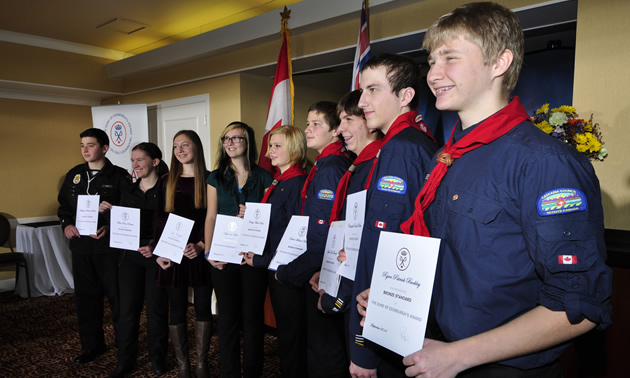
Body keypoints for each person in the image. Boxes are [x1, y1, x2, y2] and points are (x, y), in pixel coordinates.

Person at [377, 3, 611, 377]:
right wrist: (394, 295)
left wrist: (459, 356)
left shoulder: (544, 162)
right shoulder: (447, 156)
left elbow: (580, 306)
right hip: (438, 353)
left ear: (499, 63)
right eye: (431, 61)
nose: (433, 74)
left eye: (449, 58)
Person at [348, 53, 438, 378]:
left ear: (405, 96)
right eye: (362, 91)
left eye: (373, 90)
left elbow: (383, 248)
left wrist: (363, 347)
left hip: (386, 322)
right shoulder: (414, 141)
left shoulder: (400, 149)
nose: (362, 101)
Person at [275, 101, 353, 377]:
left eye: (316, 124)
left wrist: (288, 272)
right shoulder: (324, 164)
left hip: (324, 271)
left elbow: (323, 235)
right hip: (319, 269)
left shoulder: (331, 167)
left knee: (324, 352)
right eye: (307, 124)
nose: (308, 130)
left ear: (336, 131)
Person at [57, 128, 132, 365]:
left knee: (117, 299)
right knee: (86, 300)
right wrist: (67, 224)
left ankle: (125, 344)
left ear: (105, 148)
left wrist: (109, 226)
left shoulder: (119, 176)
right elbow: (63, 207)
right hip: (81, 248)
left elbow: (129, 211)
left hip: (109, 250)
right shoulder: (74, 175)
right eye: (82, 145)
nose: (85, 150)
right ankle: (92, 346)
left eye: (90, 145)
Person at [204, 122, 273, 378]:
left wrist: (253, 213)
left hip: (251, 256)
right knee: (228, 319)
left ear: (248, 143)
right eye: (226, 139)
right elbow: (210, 217)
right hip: (222, 256)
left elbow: (269, 220)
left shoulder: (265, 177)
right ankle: (230, 372)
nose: (230, 143)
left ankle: (253, 372)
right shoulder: (215, 176)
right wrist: (208, 253)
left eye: (236, 138)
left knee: (253, 319)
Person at [241, 125, 308, 377]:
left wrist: (262, 260)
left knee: (292, 340)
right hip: (275, 267)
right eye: (270, 146)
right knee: (287, 337)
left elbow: (296, 238)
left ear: (294, 147)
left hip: (287, 271)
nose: (269, 153)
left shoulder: (298, 183)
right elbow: (277, 224)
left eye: (277, 146)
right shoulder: (280, 181)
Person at [310, 90, 383, 318]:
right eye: (340, 121)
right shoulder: (357, 168)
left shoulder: (377, 167)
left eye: (348, 119)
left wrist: (337, 298)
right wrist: (328, 274)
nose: (340, 129)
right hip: (344, 279)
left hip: (363, 290)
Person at [101, 143, 169, 377]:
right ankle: (125, 361)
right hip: (129, 258)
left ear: (155, 162)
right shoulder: (127, 190)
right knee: (127, 311)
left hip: (156, 257)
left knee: (156, 311)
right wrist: (107, 213)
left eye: (140, 160)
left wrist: (156, 247)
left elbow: (174, 226)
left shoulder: (168, 190)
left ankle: (157, 359)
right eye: (132, 160)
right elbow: (122, 224)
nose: (135, 165)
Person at [154, 130, 213, 378]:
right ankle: (183, 365)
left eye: (185, 144)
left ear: (196, 147)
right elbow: (159, 219)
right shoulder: (166, 180)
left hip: (199, 251)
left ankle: (201, 363)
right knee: (176, 309)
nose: (180, 150)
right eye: (176, 146)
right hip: (172, 252)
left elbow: (214, 218)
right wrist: (160, 252)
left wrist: (200, 244)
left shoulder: (211, 179)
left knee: (202, 307)